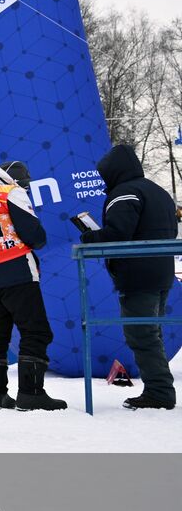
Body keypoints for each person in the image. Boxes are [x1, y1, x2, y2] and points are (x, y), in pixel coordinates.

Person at [0, 162, 66, 411]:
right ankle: (31, 392)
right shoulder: (10, 192)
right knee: (35, 331)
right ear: (12, 179)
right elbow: (35, 236)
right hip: (16, 270)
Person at [78, 143, 177, 410]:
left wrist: (90, 237)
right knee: (150, 331)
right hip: (161, 271)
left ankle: (160, 391)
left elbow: (118, 233)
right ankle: (160, 388)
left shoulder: (125, 193)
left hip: (138, 275)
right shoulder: (158, 191)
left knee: (140, 333)